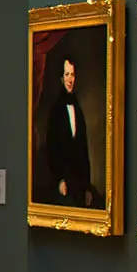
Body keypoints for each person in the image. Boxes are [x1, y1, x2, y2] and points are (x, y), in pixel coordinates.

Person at [42, 56, 95, 208]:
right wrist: (59, 180)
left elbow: (83, 150)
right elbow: (52, 149)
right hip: (62, 183)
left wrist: (87, 186)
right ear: (61, 78)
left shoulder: (78, 110)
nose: (70, 79)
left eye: (72, 74)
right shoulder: (55, 111)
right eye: (67, 74)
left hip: (79, 183)